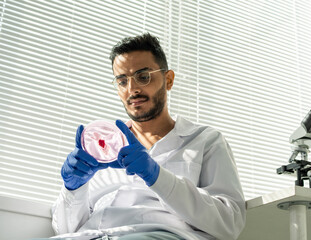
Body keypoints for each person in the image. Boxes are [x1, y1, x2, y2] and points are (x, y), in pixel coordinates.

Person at [51, 33, 246, 240]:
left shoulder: (205, 140)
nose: (132, 89)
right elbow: (64, 230)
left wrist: (157, 176)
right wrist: (73, 188)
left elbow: (229, 223)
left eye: (143, 77)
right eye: (122, 81)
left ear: (168, 80)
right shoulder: (102, 148)